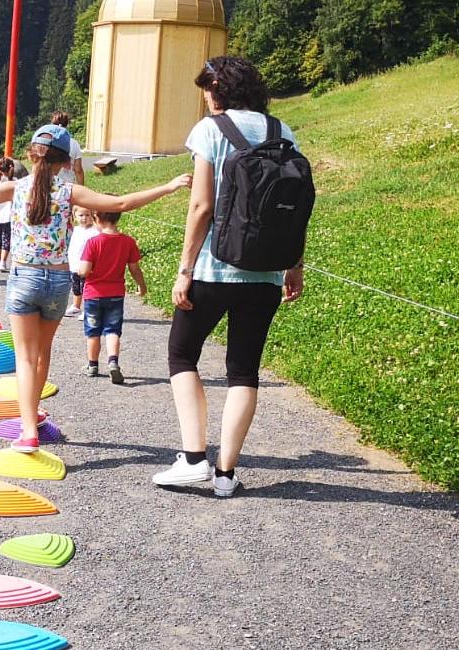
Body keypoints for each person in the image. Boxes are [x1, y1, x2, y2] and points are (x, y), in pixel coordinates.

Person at [0, 125, 189, 453]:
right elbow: (121, 202)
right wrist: (168, 187)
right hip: (58, 282)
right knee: (42, 353)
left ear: (30, 155)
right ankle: (33, 413)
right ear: (66, 161)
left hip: (24, 278)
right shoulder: (70, 192)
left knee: (25, 358)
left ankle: (29, 431)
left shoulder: (15, 187)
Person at [152, 56, 306, 497]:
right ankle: (225, 475)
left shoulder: (209, 130)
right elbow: (294, 207)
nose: (205, 96)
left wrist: (184, 269)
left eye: (207, 88)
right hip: (266, 271)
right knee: (243, 370)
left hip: (213, 267)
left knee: (182, 355)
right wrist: (294, 264)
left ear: (218, 90)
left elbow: (201, 206)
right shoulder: (282, 131)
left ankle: (193, 459)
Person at [75, 210, 145, 384]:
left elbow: (84, 271)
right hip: (116, 294)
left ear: (97, 218)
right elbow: (134, 269)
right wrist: (142, 285)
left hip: (93, 294)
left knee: (93, 331)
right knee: (112, 330)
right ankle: (113, 362)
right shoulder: (128, 241)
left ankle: (92, 365)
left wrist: (79, 270)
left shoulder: (93, 242)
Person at [64, 207, 98, 318]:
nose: (84, 218)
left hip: (86, 265)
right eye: (81, 215)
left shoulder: (95, 231)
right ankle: (76, 306)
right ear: (75, 216)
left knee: (85, 288)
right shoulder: (76, 230)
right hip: (74, 264)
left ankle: (88, 309)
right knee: (76, 287)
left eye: (87, 215)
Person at [49, 111, 86, 186]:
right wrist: (81, 188)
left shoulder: (48, 141)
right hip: (68, 186)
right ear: (66, 124)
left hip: (50, 184)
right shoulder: (74, 143)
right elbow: (78, 170)